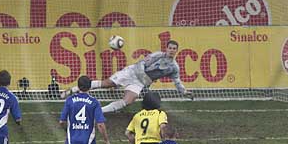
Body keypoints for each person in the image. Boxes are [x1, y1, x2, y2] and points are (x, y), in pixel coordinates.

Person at [60, 39, 193, 113]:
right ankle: (73, 90)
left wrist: (185, 91)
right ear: (166, 48)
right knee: (107, 84)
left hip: (140, 83)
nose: (171, 50)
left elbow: (177, 81)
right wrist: (144, 77)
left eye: (174, 48)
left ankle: (99, 111)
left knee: (128, 101)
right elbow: (142, 63)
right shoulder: (157, 55)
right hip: (132, 72)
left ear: (176, 50)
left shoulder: (174, 67)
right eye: (170, 48)